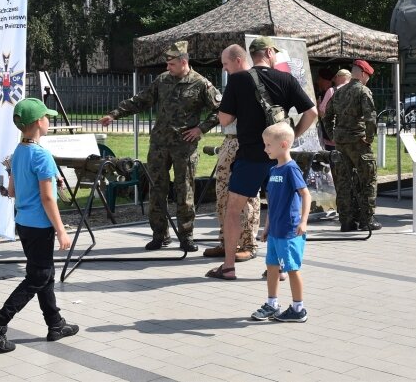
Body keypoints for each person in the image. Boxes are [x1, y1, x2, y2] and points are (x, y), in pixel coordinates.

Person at [206, 36, 317, 280]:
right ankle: (276, 269)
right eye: (274, 53)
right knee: (278, 209)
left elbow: (224, 120)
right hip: (278, 157)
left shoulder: (238, 80)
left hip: (250, 156)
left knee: (233, 208)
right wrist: (291, 136)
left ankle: (228, 267)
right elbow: (312, 113)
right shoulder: (286, 79)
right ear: (268, 52)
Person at [99, 41, 220, 252]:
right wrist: (114, 114)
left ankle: (186, 237)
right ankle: (159, 235)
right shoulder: (162, 80)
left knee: (185, 192)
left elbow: (221, 109)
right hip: (159, 146)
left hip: (185, 147)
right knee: (156, 190)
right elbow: (141, 100)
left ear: (184, 62)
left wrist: (201, 129)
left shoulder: (201, 84)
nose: (167, 68)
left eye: (171, 64)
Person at [0, 98, 78, 353]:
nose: (49, 120)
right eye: (47, 117)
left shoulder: (19, 151)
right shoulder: (42, 155)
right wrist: (61, 230)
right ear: (37, 123)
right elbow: (47, 198)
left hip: (23, 223)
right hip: (40, 226)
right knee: (39, 276)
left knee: (45, 273)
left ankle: (55, 323)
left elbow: (12, 191)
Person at [203, 44, 261, 263]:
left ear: (238, 60)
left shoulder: (253, 81)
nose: (224, 69)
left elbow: (226, 117)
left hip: (246, 144)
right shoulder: (235, 82)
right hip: (229, 142)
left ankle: (248, 244)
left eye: (226, 64)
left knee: (245, 198)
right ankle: (227, 242)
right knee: (223, 194)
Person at [251, 122, 311, 323]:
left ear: (284, 145)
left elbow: (306, 195)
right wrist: (266, 227)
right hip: (275, 230)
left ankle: (298, 308)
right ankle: (272, 303)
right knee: (272, 267)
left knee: (292, 268)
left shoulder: (290, 169)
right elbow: (273, 203)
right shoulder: (274, 170)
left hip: (289, 231)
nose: (265, 148)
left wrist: (303, 221)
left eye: (268, 144)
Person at [323, 60, 382, 232]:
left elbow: (327, 117)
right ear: (363, 74)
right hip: (359, 142)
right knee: (367, 179)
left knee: (343, 182)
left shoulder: (339, 92)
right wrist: (369, 137)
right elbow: (370, 118)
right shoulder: (363, 91)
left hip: (341, 143)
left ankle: (346, 221)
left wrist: (334, 135)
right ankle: (366, 220)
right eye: (368, 77)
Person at [318, 69, 351, 151]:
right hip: (352, 137)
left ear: (338, 77)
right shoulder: (358, 91)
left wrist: (317, 106)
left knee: (334, 161)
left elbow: (322, 112)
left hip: (333, 138)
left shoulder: (332, 91)